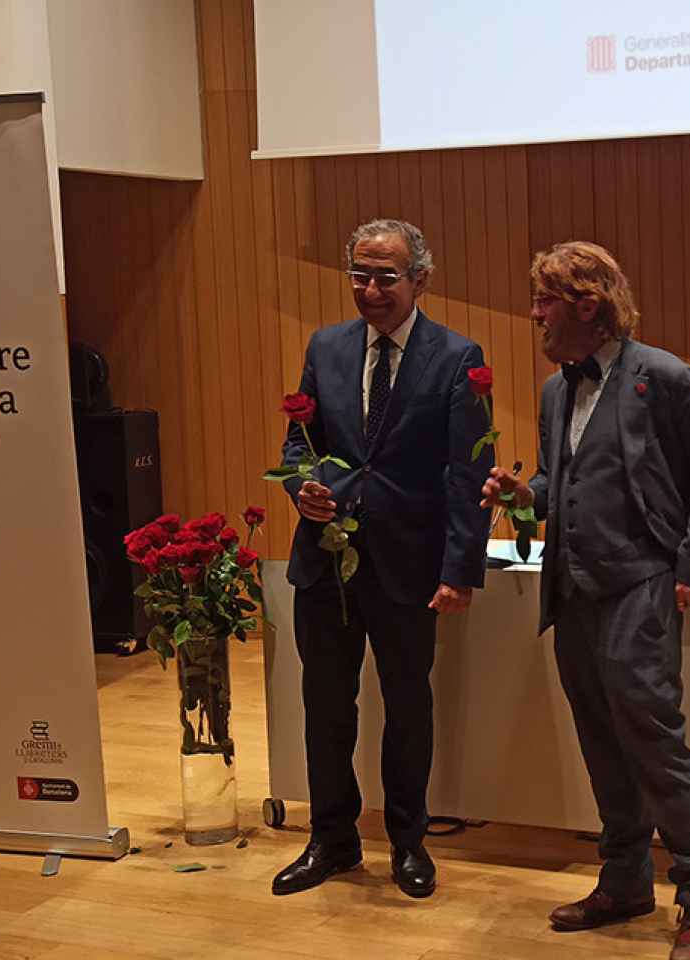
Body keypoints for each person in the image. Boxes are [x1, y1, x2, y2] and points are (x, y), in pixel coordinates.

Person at [481, 242, 690, 959]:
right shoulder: (555, 390)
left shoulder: (663, 376)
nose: (534, 314)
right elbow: (564, 489)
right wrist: (521, 496)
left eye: (545, 300)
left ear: (586, 305)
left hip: (640, 588)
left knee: (655, 743)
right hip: (574, 593)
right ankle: (625, 881)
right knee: (602, 744)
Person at [272, 219, 493, 899]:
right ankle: (332, 840)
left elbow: (471, 470)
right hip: (324, 564)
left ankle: (407, 842)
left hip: (410, 566)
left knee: (406, 707)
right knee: (327, 706)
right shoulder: (326, 347)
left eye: (386, 277)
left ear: (421, 279)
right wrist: (300, 488)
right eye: (360, 275)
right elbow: (298, 446)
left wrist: (461, 570)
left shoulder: (458, 358)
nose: (371, 290)